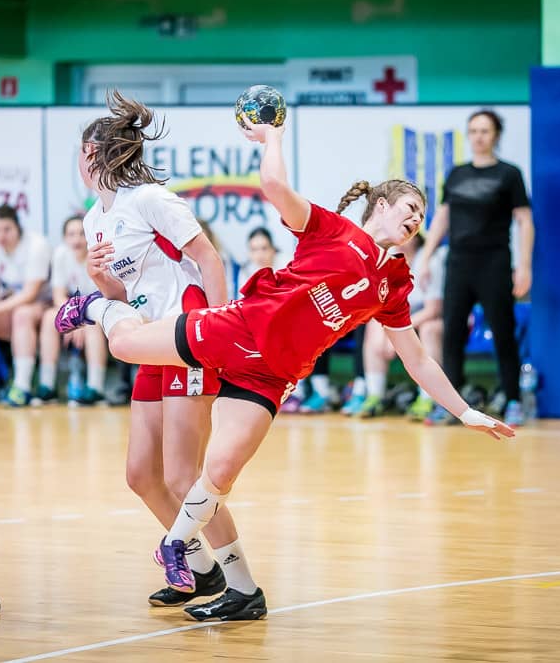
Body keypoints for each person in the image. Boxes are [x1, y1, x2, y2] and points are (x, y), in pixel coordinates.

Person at [57, 117, 515, 617]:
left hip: (272, 374)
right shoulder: (333, 230)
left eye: (422, 215)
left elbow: (417, 358)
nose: (417, 219)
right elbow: (274, 185)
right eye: (410, 208)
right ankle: (94, 307)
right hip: (238, 328)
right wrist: (271, 136)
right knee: (126, 346)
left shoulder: (394, 284)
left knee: (217, 474)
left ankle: (237, 588)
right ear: (381, 206)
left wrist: (465, 411)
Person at [76, 91, 261, 614]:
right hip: (150, 343)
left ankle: (245, 588)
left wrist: (221, 332)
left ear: (95, 154)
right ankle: (200, 571)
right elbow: (124, 295)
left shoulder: (151, 199)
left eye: (82, 153)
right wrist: (99, 279)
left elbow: (209, 259)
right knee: (141, 475)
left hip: (188, 337)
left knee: (183, 476)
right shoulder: (94, 219)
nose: (79, 163)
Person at [418, 110, 533, 426]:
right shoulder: (457, 174)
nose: (478, 137)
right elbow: (442, 217)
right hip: (459, 263)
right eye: (473, 131)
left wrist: (524, 266)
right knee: (452, 334)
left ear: (496, 135)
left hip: (494, 263)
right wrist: (425, 257)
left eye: (484, 131)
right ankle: (452, 405)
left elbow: (524, 221)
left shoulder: (509, 174)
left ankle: (512, 399)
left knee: (504, 333)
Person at [0, 205, 52, 407]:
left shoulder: (37, 245)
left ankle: (22, 387)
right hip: (8, 308)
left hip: (41, 305)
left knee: (21, 314)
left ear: (17, 227)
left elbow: (30, 294)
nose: (1, 235)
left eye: (7, 229)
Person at [356, 232, 446, 419]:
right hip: (401, 316)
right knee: (373, 324)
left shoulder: (430, 261)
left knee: (430, 329)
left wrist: (398, 332)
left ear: (417, 237)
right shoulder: (388, 259)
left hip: (430, 318)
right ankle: (375, 396)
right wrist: (387, 333)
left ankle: (428, 398)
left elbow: (433, 310)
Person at [36, 214, 108, 404]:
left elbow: (106, 295)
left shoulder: (99, 254)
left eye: (82, 234)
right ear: (64, 238)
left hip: (99, 307)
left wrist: (80, 320)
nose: (77, 239)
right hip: (74, 309)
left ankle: (96, 388)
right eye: (71, 234)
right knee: (49, 317)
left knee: (92, 325)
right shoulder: (61, 254)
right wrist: (74, 320)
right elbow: (58, 295)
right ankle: (47, 386)